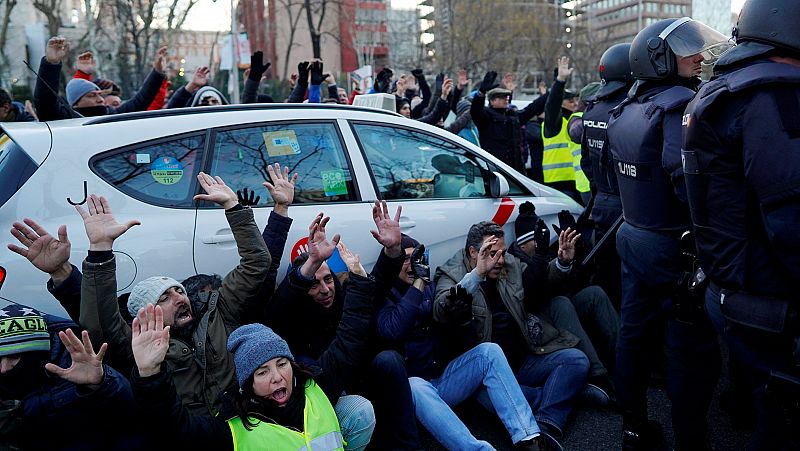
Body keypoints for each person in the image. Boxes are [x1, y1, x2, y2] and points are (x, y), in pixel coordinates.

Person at [606, 17, 729, 451]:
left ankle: (634, 428)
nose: (698, 56)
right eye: (686, 50)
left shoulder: (626, 109)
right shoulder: (679, 106)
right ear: (658, 59)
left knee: (633, 337)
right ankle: (691, 442)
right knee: (690, 352)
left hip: (634, 238)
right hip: (676, 251)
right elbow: (689, 184)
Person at [682, 1, 800, 448]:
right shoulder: (774, 95)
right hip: (768, 295)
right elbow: (791, 220)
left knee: (765, 407)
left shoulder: (726, 87)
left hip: (731, 283)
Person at [129, 249, 376, 451]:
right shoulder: (231, 429)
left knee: (358, 409)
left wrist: (360, 282)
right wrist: (150, 373)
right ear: (247, 385)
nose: (277, 377)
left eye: (281, 364)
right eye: (262, 372)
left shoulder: (314, 388)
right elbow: (174, 427)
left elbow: (349, 340)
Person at [75, 173, 270, 417]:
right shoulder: (138, 345)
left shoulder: (218, 310)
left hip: (247, 422)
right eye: (163, 298)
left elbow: (257, 263)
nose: (180, 299)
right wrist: (100, 251)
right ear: (144, 316)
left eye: (179, 291)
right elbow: (99, 322)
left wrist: (233, 207)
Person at [265, 201, 422, 450]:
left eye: (328, 279)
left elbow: (376, 284)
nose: (325, 289)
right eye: (314, 284)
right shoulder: (290, 316)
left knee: (389, 360)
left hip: (361, 382)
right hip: (326, 396)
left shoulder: (344, 294)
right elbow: (277, 308)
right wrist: (311, 264)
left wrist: (393, 250)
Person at [377, 234, 557, 450]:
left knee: (489, 352)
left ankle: (529, 438)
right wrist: (418, 284)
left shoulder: (431, 287)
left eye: (415, 258)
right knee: (415, 385)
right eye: (405, 259)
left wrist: (477, 274)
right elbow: (393, 329)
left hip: (444, 380)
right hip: (415, 394)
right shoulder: (385, 294)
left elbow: (450, 299)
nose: (411, 265)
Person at [434, 221, 590, 448]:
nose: (499, 259)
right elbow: (440, 308)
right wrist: (477, 275)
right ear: (473, 252)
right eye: (492, 253)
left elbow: (540, 283)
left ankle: (546, 423)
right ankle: (554, 395)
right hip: (488, 377)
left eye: (503, 252)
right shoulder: (452, 272)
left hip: (524, 360)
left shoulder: (509, 264)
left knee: (576, 361)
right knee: (490, 401)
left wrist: (562, 262)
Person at [508, 202, 619, 406]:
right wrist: (548, 261)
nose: (541, 241)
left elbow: (573, 282)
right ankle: (599, 377)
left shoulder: (543, 252)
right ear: (523, 244)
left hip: (561, 309)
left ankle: (625, 362)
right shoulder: (514, 262)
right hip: (540, 319)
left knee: (594, 294)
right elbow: (535, 294)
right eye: (535, 240)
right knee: (561, 303)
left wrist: (576, 252)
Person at [0, 304, 147, 450]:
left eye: (14, 357)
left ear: (36, 354)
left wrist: (100, 384)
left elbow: (127, 412)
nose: (4, 368)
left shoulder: (75, 369)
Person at [579, 43, 635, 307]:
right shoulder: (628, 109)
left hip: (601, 204)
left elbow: (586, 162)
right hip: (627, 209)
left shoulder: (592, 110)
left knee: (605, 275)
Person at [34, 36, 167, 120]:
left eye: (99, 95)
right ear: (75, 103)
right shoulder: (65, 119)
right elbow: (45, 101)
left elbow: (141, 100)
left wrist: (157, 72)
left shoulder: (112, 115)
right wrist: (51, 63)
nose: (99, 100)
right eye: (91, 96)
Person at [470, 71, 547, 173]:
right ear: (492, 101)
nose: (505, 100)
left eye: (506, 97)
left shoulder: (513, 116)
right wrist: (481, 93)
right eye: (501, 97)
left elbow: (533, 108)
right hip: (495, 170)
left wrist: (553, 90)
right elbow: (475, 111)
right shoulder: (486, 117)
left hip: (515, 170)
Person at [542, 57, 584, 204]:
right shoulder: (555, 122)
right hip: (559, 183)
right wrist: (560, 81)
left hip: (577, 182)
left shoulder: (575, 120)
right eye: (570, 101)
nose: (575, 103)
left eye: (576, 101)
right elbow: (552, 105)